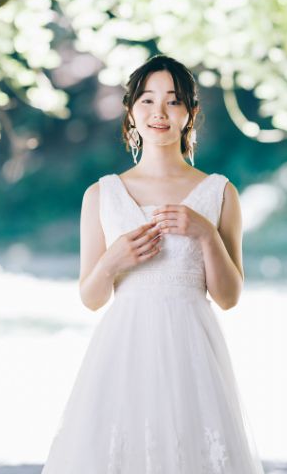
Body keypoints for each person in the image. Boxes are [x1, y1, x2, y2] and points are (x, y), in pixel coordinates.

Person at [41, 55, 265, 473]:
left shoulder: (219, 192)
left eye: (173, 101)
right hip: (123, 350)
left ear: (190, 114)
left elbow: (229, 297)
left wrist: (205, 233)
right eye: (147, 100)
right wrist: (113, 260)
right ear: (130, 112)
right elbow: (91, 299)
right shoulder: (102, 194)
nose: (158, 112)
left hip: (192, 351)